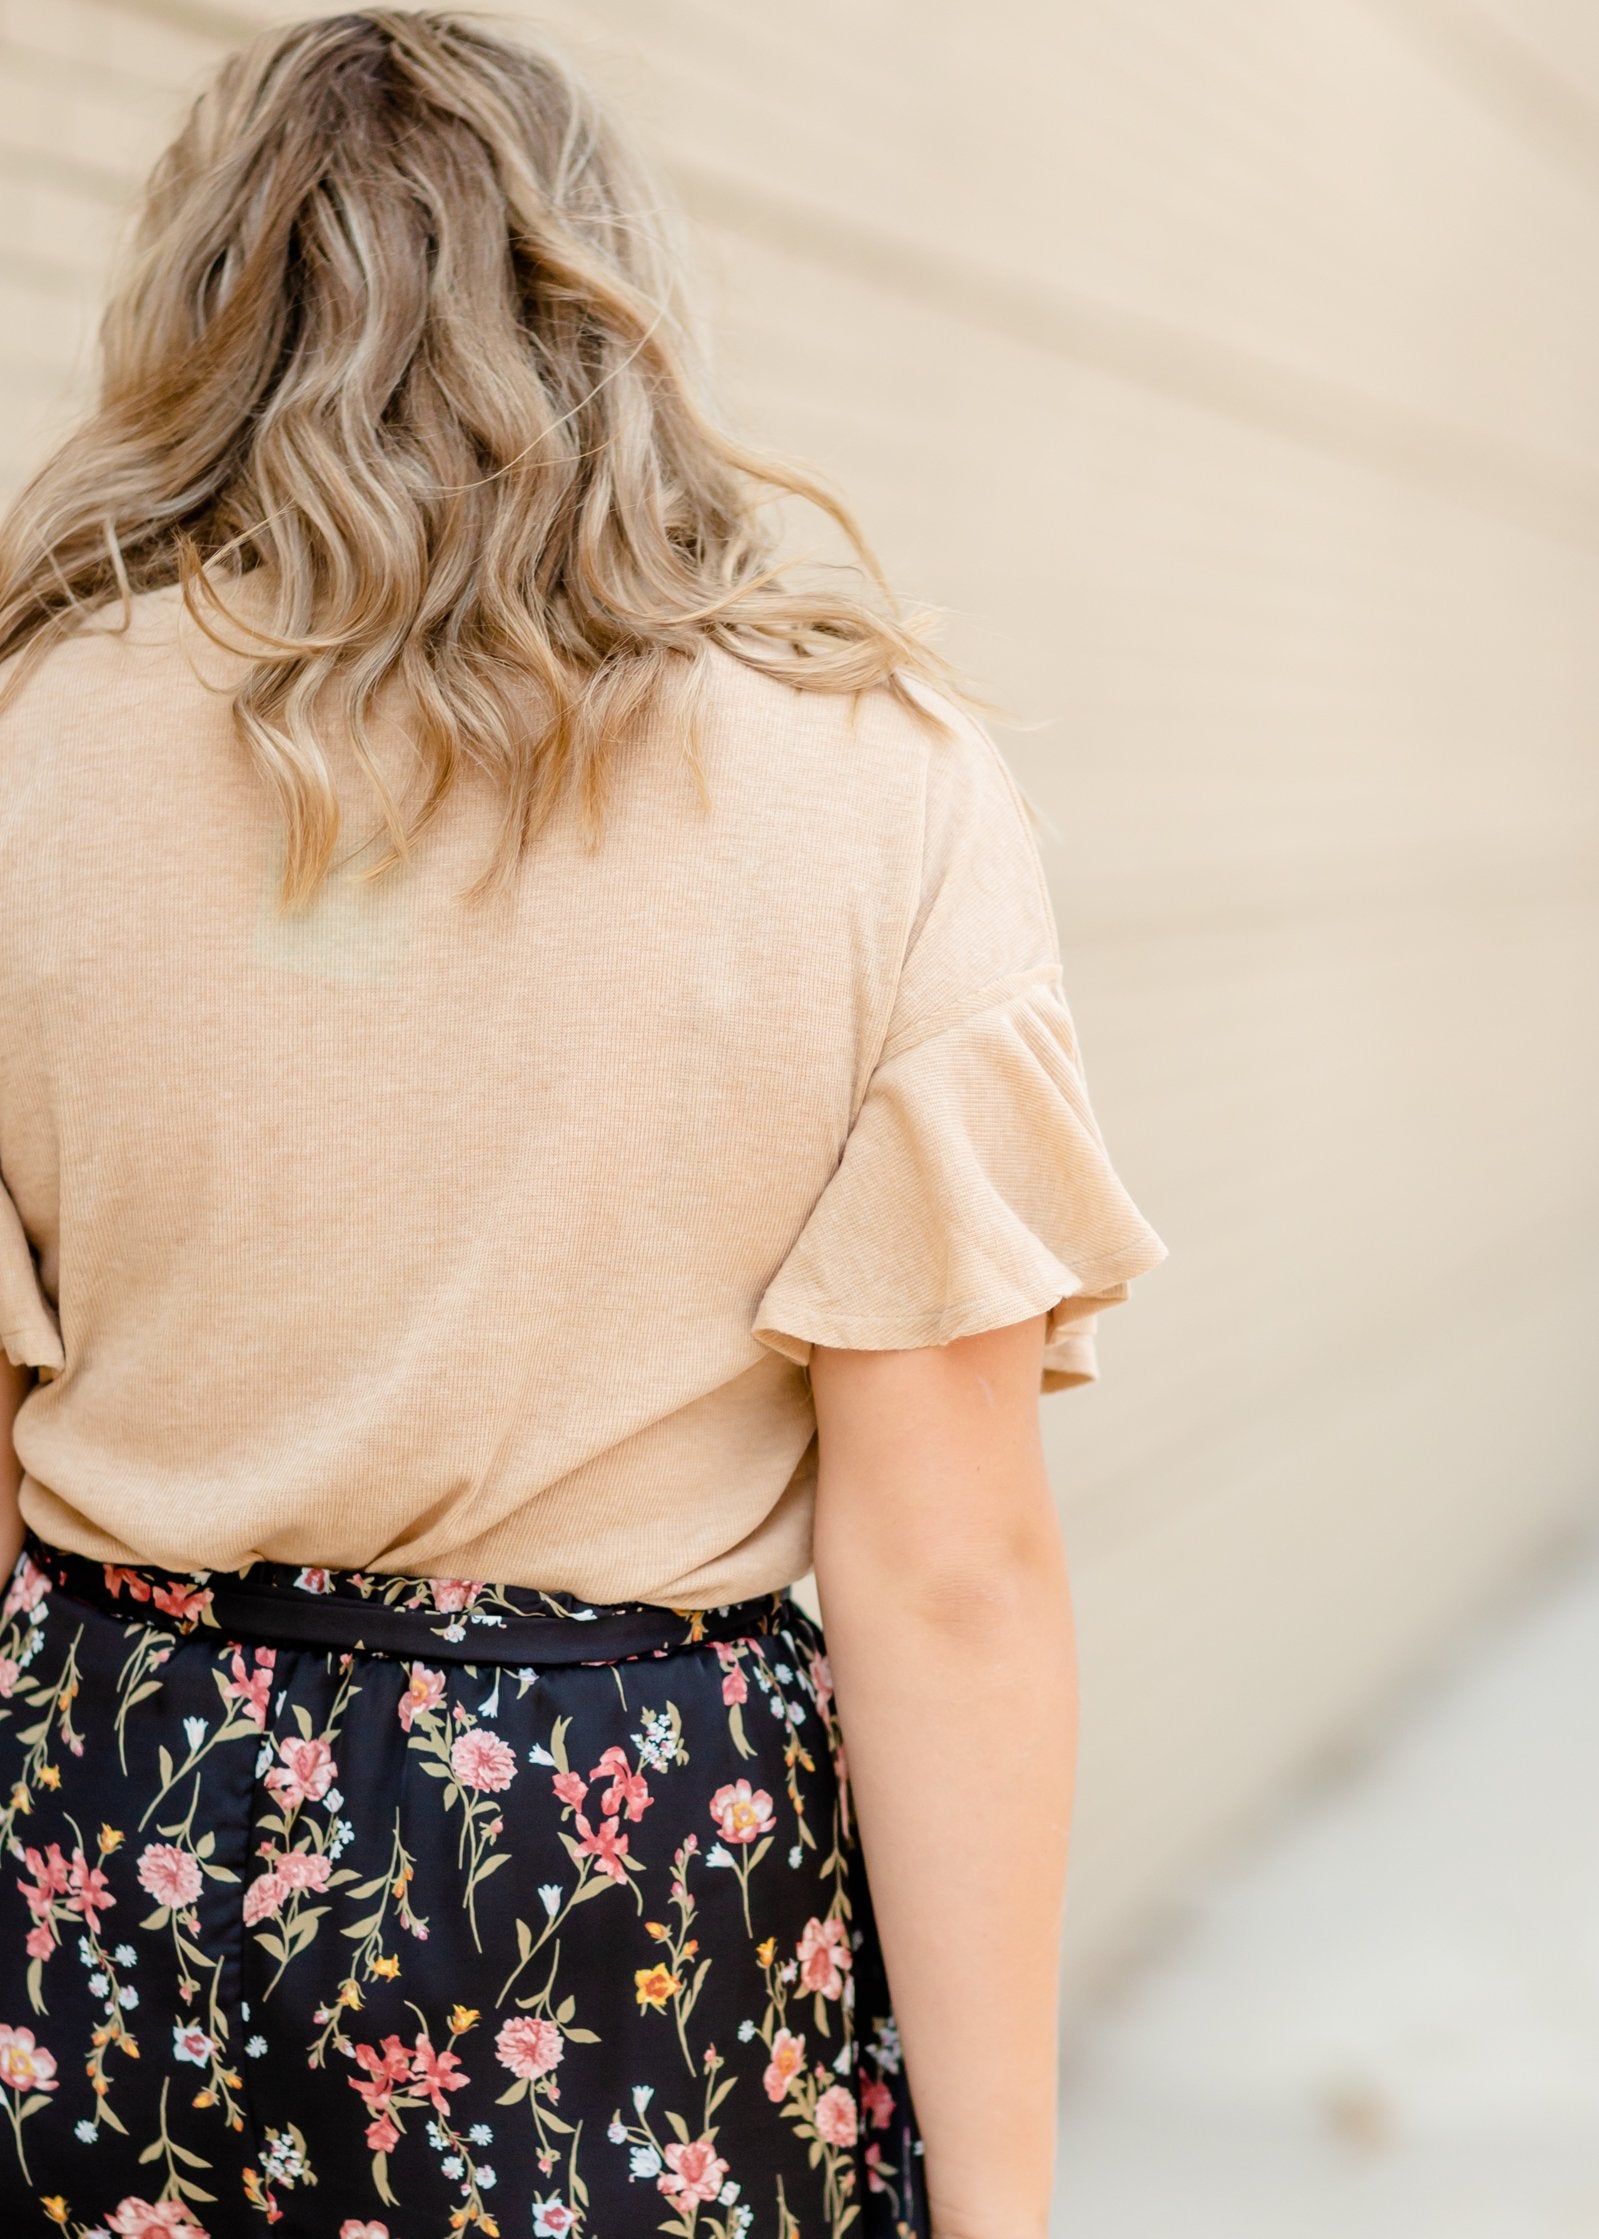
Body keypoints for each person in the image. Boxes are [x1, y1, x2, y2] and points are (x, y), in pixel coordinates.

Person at [0, 12, 1167, 2238]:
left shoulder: (30, 750)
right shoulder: (874, 781)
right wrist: (1000, 2205)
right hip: (631, 1892)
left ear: (193, 317)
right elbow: (948, 1570)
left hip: (117, 1854)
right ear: (615, 309)